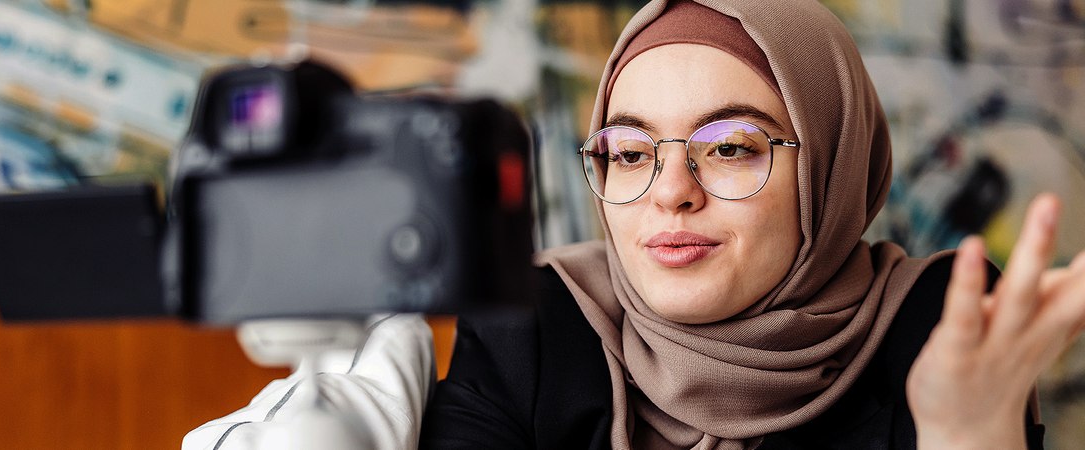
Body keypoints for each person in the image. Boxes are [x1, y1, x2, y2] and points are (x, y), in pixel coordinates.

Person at [185, 0, 1085, 448]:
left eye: (731, 147)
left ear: (835, 163)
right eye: (626, 150)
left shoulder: (939, 328)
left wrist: (971, 438)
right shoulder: (535, 320)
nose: (671, 192)